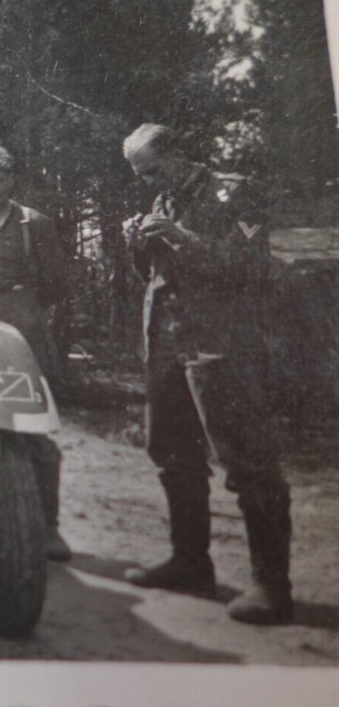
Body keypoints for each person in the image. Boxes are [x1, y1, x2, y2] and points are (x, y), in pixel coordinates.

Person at [121, 123, 292, 625]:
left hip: (222, 346)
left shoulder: (235, 193)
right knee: (172, 454)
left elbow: (248, 268)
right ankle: (190, 562)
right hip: (168, 345)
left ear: (177, 153)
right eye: (139, 174)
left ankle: (271, 586)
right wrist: (136, 241)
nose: (146, 180)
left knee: (248, 463)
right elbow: (152, 275)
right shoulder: (163, 199)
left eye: (150, 169)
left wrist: (179, 235)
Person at [0, 145, 73, 561]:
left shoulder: (32, 224)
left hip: (22, 327)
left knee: (31, 423)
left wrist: (23, 306)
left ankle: (48, 527)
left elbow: (58, 282)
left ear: (12, 181)